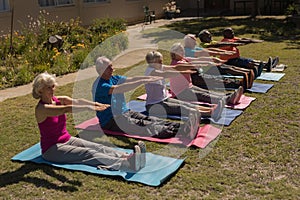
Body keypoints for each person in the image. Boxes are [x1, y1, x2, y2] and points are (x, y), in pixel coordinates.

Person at [32, 72, 146, 172]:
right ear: (40, 90)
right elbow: (65, 109)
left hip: (67, 139)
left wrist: (95, 104)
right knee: (89, 153)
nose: (52, 90)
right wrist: (88, 108)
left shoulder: (57, 99)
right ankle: (126, 164)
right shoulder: (42, 109)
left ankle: (128, 156)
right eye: (48, 88)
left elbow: (77, 101)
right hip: (52, 149)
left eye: (53, 86)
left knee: (98, 147)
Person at [92, 56, 198, 139]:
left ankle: (184, 127)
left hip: (125, 112)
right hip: (111, 120)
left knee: (151, 119)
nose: (112, 69)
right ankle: (184, 131)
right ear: (101, 70)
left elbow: (131, 79)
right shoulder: (100, 86)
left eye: (112, 66)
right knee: (144, 125)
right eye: (109, 67)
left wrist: (147, 78)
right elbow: (121, 88)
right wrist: (143, 81)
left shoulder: (114, 77)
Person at [144, 50, 221, 121]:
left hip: (164, 99)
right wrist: (184, 72)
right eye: (159, 62)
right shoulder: (151, 72)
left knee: (186, 104)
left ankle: (210, 109)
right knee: (182, 108)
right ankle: (209, 113)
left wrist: (193, 66)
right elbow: (166, 74)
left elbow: (176, 67)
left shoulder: (158, 67)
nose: (162, 63)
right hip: (154, 106)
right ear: (152, 63)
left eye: (161, 61)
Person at [168, 43, 244, 108]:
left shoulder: (183, 59)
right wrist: (207, 63)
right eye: (179, 51)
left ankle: (229, 96)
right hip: (180, 93)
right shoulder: (176, 64)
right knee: (203, 95)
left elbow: (198, 60)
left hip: (188, 87)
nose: (182, 52)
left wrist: (211, 59)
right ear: (174, 53)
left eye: (182, 50)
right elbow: (193, 64)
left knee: (207, 92)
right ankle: (227, 99)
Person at [183, 34, 254, 90]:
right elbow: (203, 53)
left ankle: (241, 81)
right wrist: (222, 54)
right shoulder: (187, 51)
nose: (196, 42)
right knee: (215, 80)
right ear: (189, 42)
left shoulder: (193, 47)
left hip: (200, 71)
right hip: (193, 76)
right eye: (194, 41)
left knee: (217, 78)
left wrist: (223, 52)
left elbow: (209, 50)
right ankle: (240, 83)